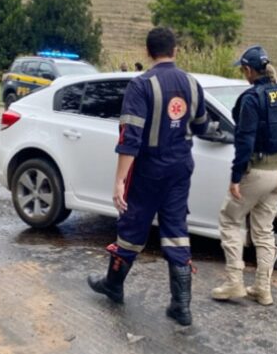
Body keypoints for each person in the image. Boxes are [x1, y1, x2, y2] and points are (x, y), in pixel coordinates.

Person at [88, 27, 210, 326]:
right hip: (180, 167)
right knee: (176, 230)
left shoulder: (141, 85)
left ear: (147, 52)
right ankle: (181, 306)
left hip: (148, 169)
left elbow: (131, 136)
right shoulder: (193, 84)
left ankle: (114, 285)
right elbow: (203, 126)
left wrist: (119, 180)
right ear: (175, 51)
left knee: (132, 227)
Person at [212, 46, 277, 306]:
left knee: (230, 220)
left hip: (258, 172)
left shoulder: (251, 99)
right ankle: (263, 289)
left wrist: (236, 176)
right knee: (264, 230)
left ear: (249, 70)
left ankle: (234, 283)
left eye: (243, 70)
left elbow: (244, 140)